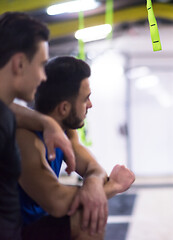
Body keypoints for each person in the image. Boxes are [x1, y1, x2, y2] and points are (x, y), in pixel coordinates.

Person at [16, 56, 135, 240]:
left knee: (90, 217)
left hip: (38, 224)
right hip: (16, 231)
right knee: (87, 219)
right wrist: (114, 186)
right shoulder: (25, 139)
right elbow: (56, 201)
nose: (90, 105)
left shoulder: (66, 132)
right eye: (86, 99)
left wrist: (93, 184)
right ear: (64, 108)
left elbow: (93, 168)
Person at [0, 12, 76, 240]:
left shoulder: (6, 115)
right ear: (20, 63)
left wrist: (46, 122)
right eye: (42, 65)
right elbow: (56, 202)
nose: (43, 77)